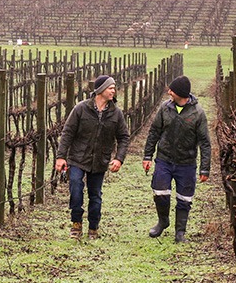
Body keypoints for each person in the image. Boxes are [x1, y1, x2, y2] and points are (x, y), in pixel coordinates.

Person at [55, 75, 131, 239]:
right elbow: (67, 133)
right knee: (76, 189)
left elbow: (124, 137)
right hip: (78, 158)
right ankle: (76, 224)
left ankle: (93, 227)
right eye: (110, 88)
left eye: (114, 88)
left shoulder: (116, 114)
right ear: (101, 90)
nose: (113, 91)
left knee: (95, 195)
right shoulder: (81, 109)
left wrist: (119, 158)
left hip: (100, 161)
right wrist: (61, 157)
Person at [141, 75, 211, 243]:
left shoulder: (198, 113)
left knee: (184, 199)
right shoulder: (164, 108)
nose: (169, 92)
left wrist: (205, 168)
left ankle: (180, 232)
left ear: (180, 93)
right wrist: (148, 155)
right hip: (164, 159)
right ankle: (163, 221)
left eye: (172, 90)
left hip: (186, 163)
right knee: (160, 192)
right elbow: (154, 132)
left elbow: (205, 142)